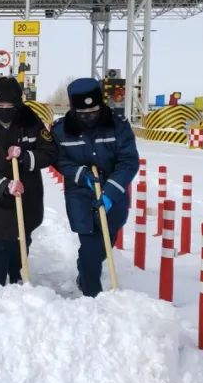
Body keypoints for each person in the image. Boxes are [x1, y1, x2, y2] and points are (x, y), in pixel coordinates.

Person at [53, 78, 139, 297]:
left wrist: (110, 192)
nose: (88, 116)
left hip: (113, 192)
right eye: (83, 113)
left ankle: (86, 268)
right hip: (80, 194)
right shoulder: (62, 130)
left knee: (106, 241)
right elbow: (58, 159)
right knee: (90, 244)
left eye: (93, 110)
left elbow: (128, 162)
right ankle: (92, 293)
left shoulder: (117, 126)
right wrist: (81, 175)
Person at [0, 76, 57, 285]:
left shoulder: (31, 123)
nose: (5, 109)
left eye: (10, 105)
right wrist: (4, 184)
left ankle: (17, 273)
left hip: (29, 191)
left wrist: (26, 156)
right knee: (1, 237)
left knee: (22, 235)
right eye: (0, 105)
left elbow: (49, 152)